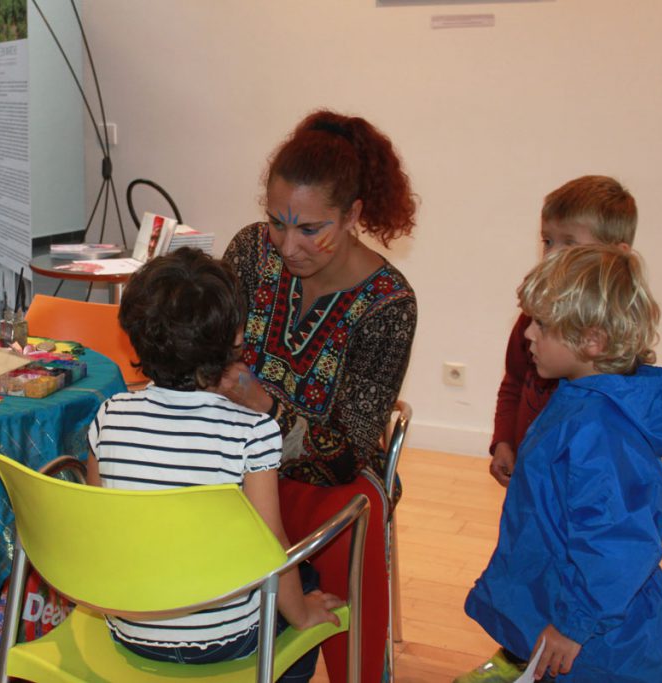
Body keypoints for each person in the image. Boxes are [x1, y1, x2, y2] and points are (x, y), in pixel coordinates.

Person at [220, 110, 417, 682]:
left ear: (353, 215)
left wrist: (268, 410)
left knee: (355, 516)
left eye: (309, 229)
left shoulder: (387, 303)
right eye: (277, 223)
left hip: (326, 481)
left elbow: (349, 449)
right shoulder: (251, 253)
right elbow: (208, 344)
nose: (287, 245)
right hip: (233, 461)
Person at [86, 248, 344, 681]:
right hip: (225, 638)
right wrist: (301, 615)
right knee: (307, 594)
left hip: (129, 627)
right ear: (238, 336)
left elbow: (103, 520)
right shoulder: (253, 431)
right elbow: (270, 543)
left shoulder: (109, 414)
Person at [458, 245, 662, 683]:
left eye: (541, 325)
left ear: (592, 340)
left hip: (607, 647)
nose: (527, 335)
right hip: (584, 618)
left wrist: (572, 625)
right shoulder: (582, 399)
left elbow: (617, 542)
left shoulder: (599, 428)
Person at [489, 175, 637, 488]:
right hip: (529, 480)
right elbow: (514, 382)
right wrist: (503, 440)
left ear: (617, 255)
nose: (552, 255)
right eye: (547, 241)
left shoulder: (621, 348)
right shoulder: (532, 320)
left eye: (569, 243)